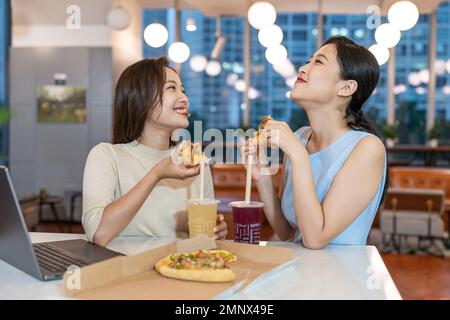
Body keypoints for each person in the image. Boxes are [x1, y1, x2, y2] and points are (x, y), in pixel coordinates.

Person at [242, 36, 387, 249]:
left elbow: (315, 238)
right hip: (302, 272)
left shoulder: (367, 148)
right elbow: (286, 232)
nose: (302, 68)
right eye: (309, 60)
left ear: (346, 88)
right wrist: (262, 176)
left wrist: (298, 155)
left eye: (318, 62)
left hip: (342, 277)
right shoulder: (301, 137)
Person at [82, 57, 227, 246]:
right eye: (171, 88)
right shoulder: (106, 156)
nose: (185, 98)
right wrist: (157, 173)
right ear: (141, 97)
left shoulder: (194, 161)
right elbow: (98, 233)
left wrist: (214, 231)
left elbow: (201, 238)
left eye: (183, 90)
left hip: (179, 269)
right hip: (123, 271)